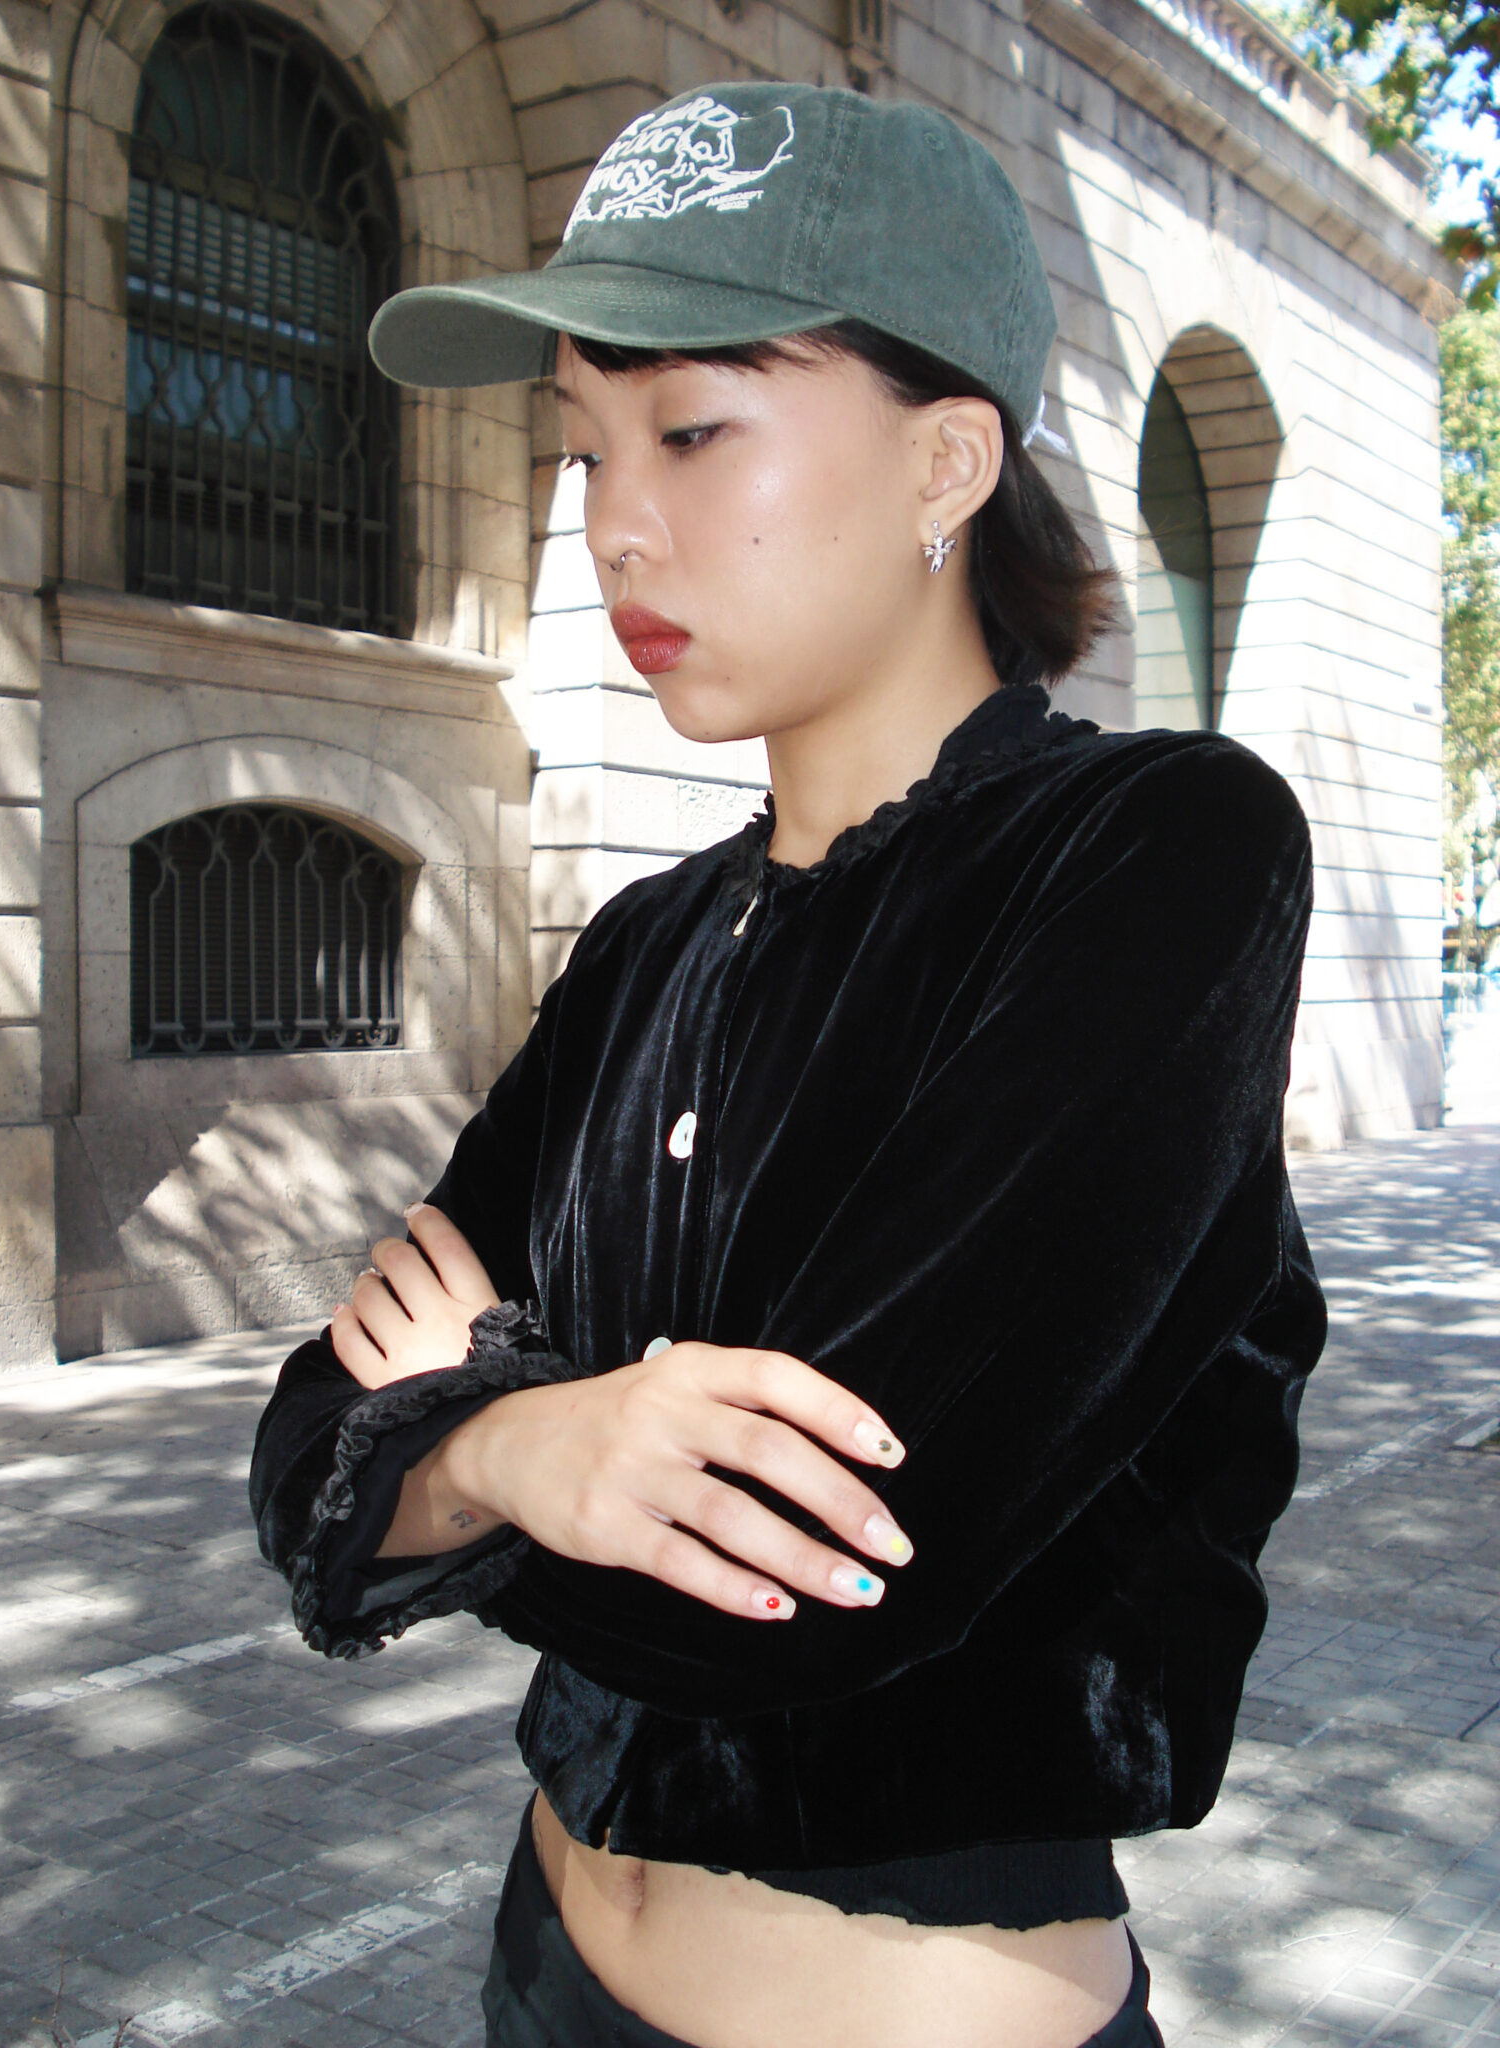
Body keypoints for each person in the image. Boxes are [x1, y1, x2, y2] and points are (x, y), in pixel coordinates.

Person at [249, 80, 1327, 2048]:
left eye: (691, 428)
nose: (613, 522)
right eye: (582, 446)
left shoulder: (1160, 856)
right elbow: (303, 1447)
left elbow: (821, 1565)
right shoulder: (647, 945)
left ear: (946, 463)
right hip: (543, 1967)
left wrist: (450, 1432)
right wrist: (529, 1446)